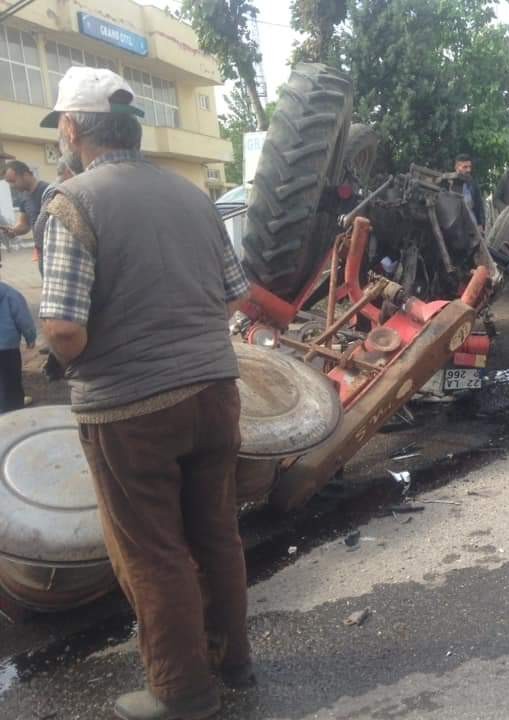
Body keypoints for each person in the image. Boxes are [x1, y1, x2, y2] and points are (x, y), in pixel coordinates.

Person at [38, 66, 252, 720]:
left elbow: (66, 331)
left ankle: (183, 692)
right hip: (214, 393)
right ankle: (233, 666)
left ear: (72, 128)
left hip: (130, 411)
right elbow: (234, 297)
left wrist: (54, 351)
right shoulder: (192, 196)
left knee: (154, 554)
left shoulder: (72, 202)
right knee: (217, 535)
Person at [0, 281, 36, 413]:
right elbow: (24, 320)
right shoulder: (10, 294)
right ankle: (12, 412)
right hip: (7, 350)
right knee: (11, 383)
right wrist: (30, 338)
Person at [2, 161, 50, 245]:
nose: (11, 186)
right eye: (9, 182)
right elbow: (24, 224)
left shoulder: (48, 190)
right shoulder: (24, 196)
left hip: (54, 247)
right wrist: (13, 230)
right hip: (40, 248)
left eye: (13, 181)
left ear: (25, 175)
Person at [454, 153, 486, 232]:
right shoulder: (449, 184)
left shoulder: (473, 184)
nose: (469, 170)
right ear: (457, 167)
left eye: (469, 167)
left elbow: (479, 206)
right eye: (465, 167)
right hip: (455, 229)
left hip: (472, 227)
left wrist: (481, 224)